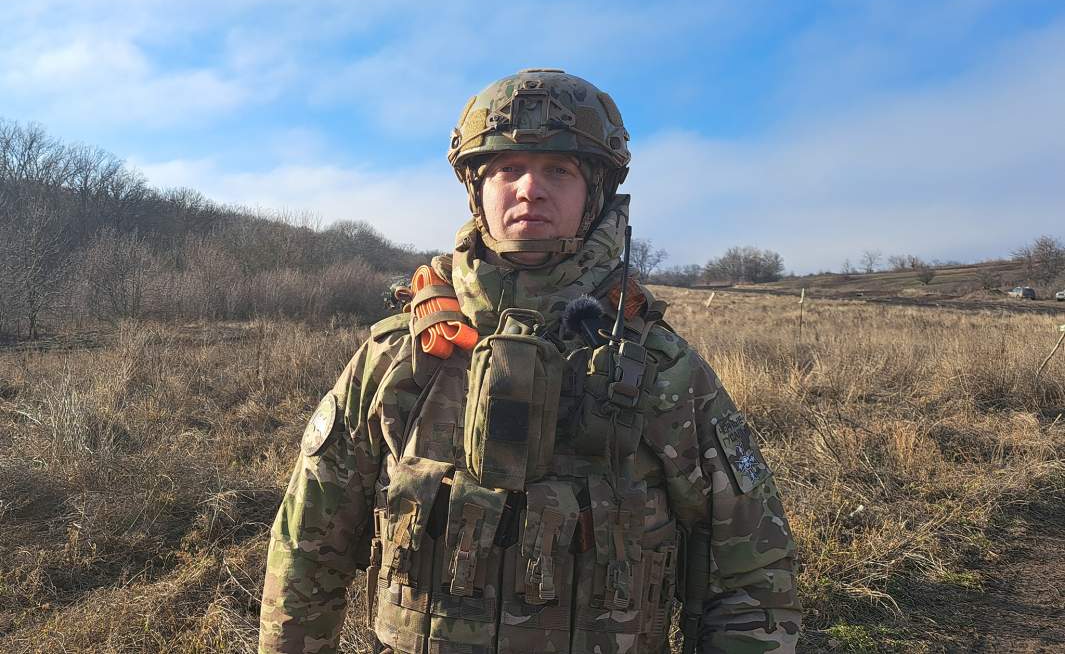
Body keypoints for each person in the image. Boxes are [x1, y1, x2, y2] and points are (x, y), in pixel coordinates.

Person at [259, 69, 801, 654]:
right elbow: (305, 553)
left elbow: (750, 580)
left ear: (594, 191)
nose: (529, 190)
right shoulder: (398, 357)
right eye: (507, 168)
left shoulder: (664, 371)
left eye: (558, 171)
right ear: (477, 187)